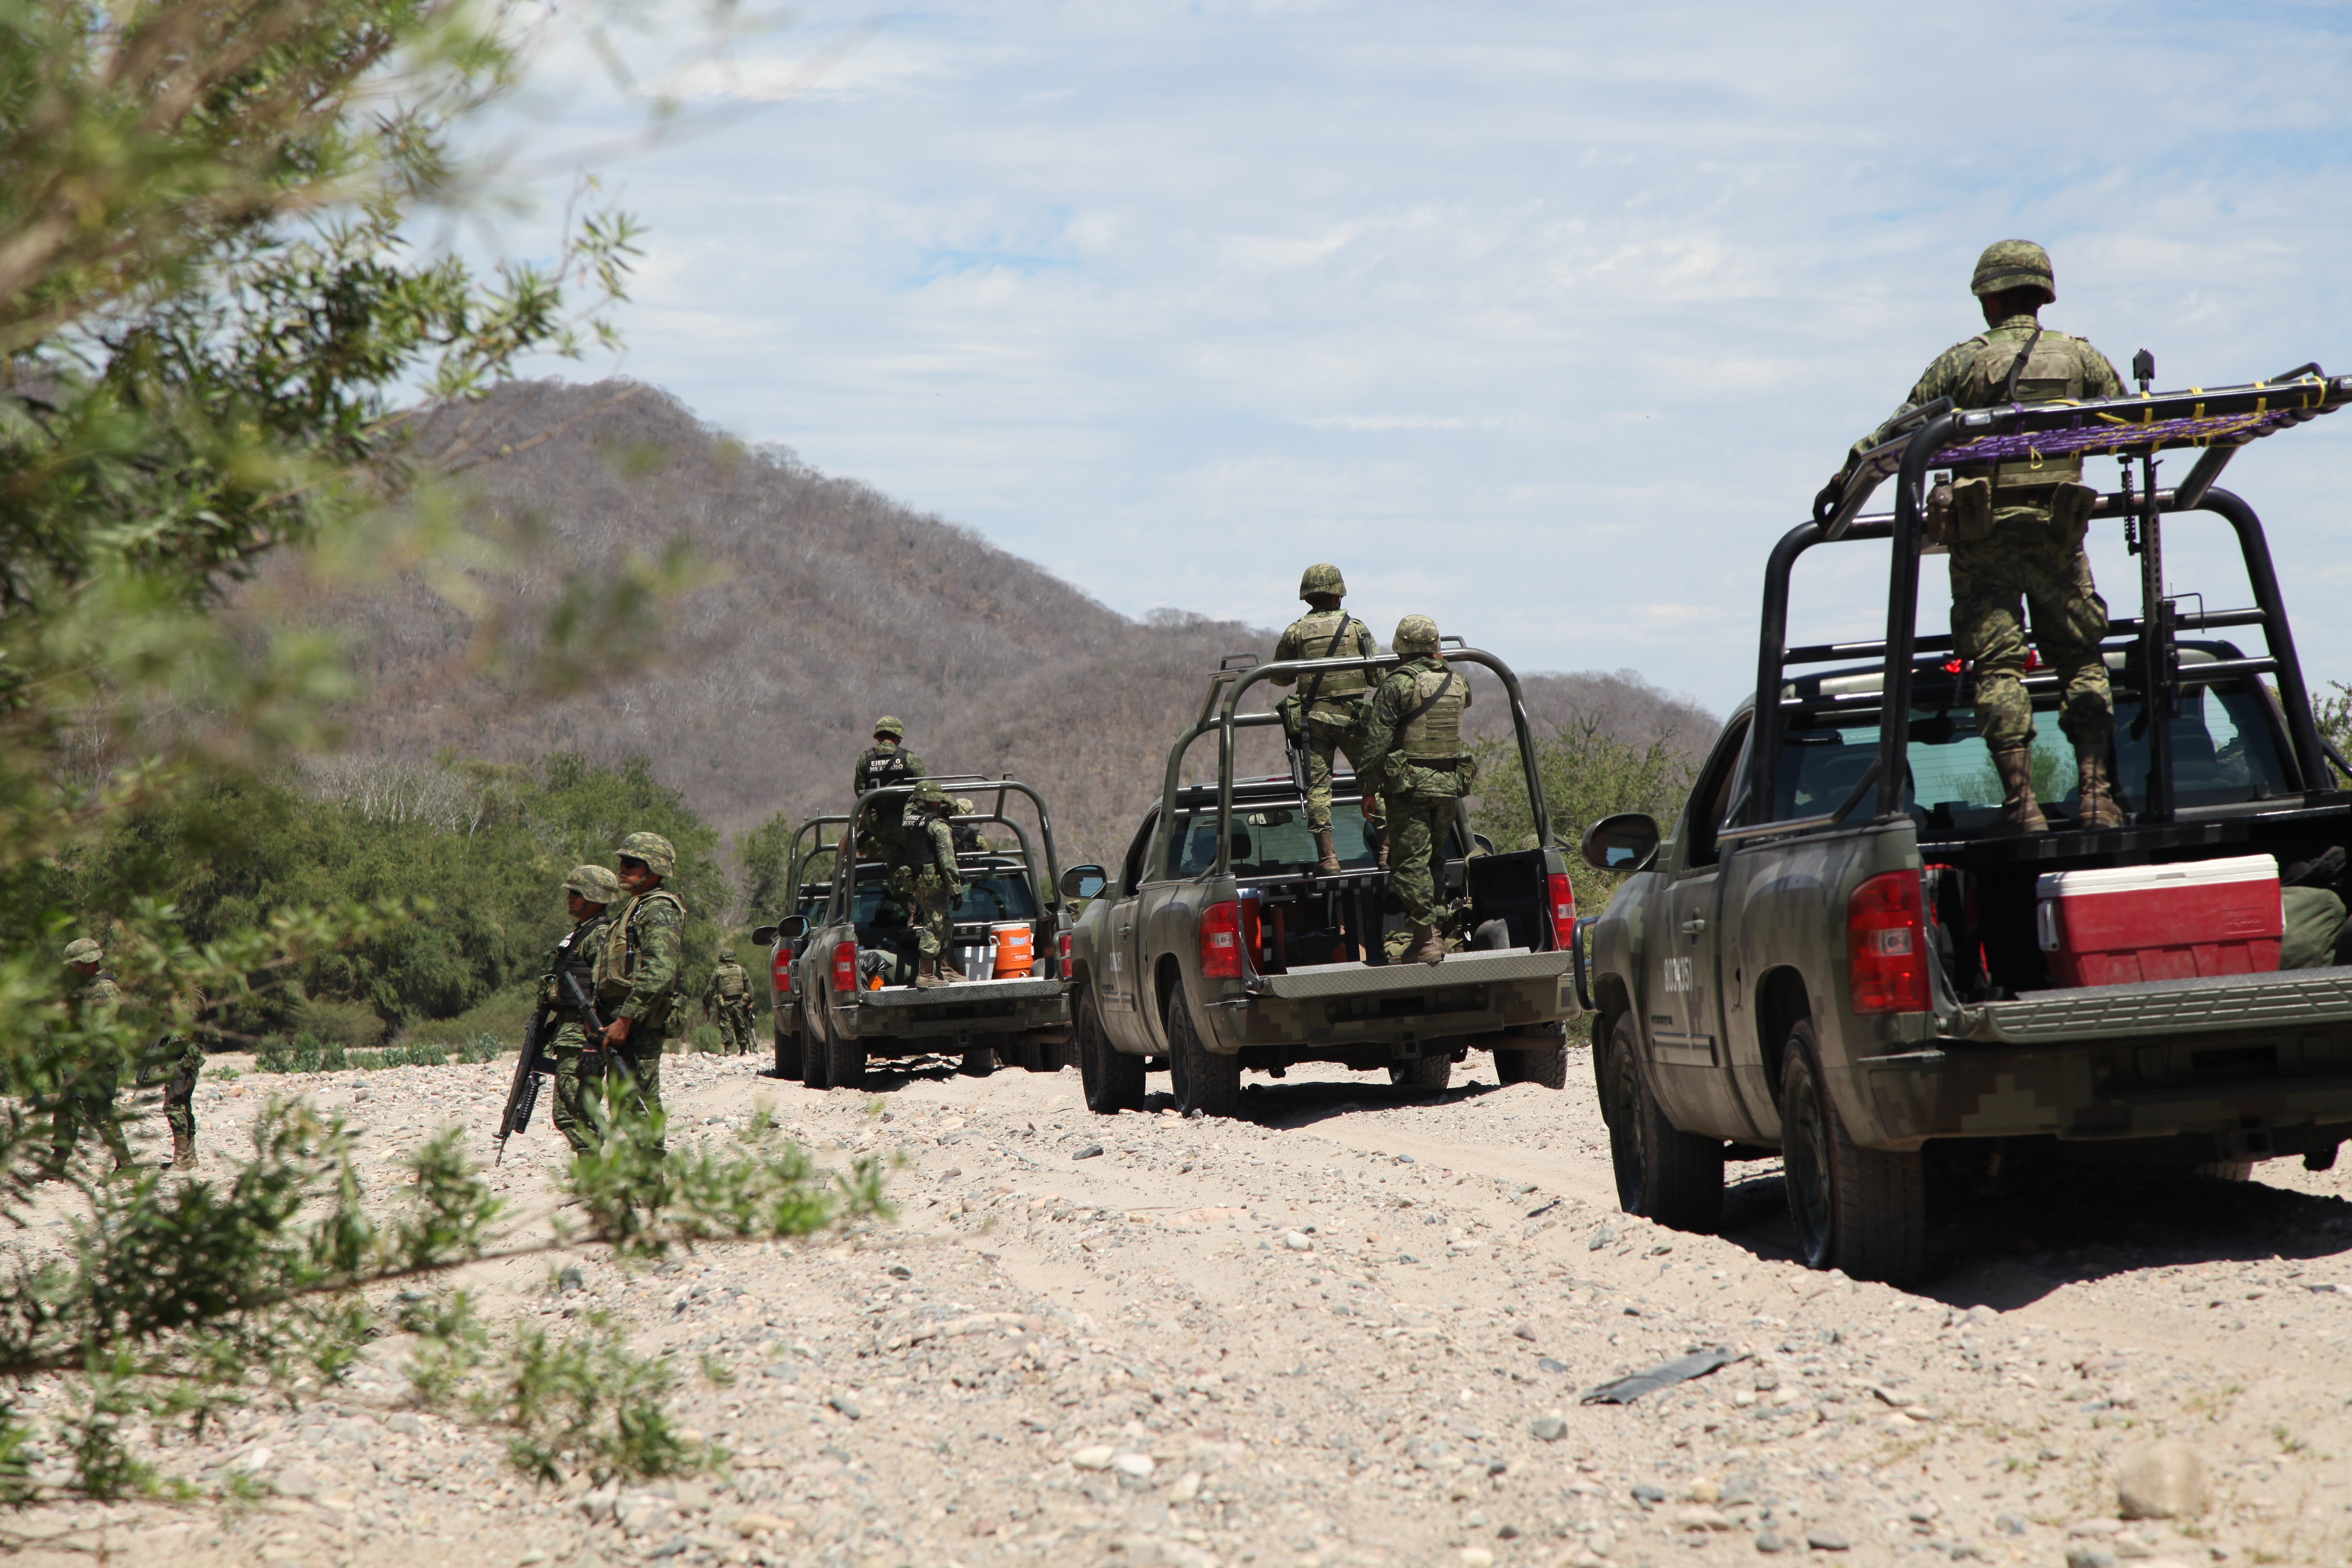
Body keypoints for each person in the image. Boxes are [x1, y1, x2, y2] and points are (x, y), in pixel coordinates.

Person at [1835, 239, 2125, 835]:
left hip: (1983, 538)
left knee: (1998, 668)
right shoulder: (2082, 358)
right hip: (2057, 534)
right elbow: (2128, 418)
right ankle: (2098, 798)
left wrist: (1846, 475)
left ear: (1988, 298)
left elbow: (1899, 432)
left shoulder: (1961, 363)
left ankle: (2023, 805)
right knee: (2081, 660)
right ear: (2042, 295)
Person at [1357, 615, 1474, 965]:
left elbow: (1377, 742)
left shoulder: (1398, 685)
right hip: (1449, 786)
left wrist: (1368, 788)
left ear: (1401, 647)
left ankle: (1424, 940)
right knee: (1434, 859)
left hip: (1410, 788)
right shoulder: (1459, 682)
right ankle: (1435, 933)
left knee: (1409, 863)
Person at [1270, 563, 1385, 873]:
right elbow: (1377, 677)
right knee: (1374, 782)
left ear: (1307, 598)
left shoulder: (1296, 631)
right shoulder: (1357, 628)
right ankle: (1387, 852)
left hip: (1315, 720)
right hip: (1354, 719)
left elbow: (1279, 678)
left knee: (1318, 789)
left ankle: (1328, 858)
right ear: (1338, 596)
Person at [592, 832, 686, 1153]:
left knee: (641, 1099)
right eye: (622, 862)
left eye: (632, 863)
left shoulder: (660, 909)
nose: (622, 868)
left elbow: (659, 970)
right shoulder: (636, 907)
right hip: (623, 1020)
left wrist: (626, 1020)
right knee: (623, 1102)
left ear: (655, 869)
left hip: (640, 1022)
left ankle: (650, 1173)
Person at [544, 864, 622, 1157]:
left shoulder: (598, 935)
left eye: (576, 894)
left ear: (594, 897)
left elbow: (605, 988)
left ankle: (592, 1166)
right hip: (571, 1031)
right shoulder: (582, 933)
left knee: (573, 1111)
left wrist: (593, 1040)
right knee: (571, 1109)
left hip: (582, 1034)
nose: (569, 899)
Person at [49, 937, 133, 1176]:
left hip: (96, 1065)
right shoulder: (85, 987)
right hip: (79, 1063)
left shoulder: (104, 988)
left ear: (88, 963)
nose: (72, 969)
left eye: (75, 965)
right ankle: (56, 1167)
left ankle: (126, 1165)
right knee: (66, 1110)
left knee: (100, 1115)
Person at [892, 781, 966, 988]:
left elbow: (911, 802)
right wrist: (956, 890)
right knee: (935, 925)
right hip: (934, 883)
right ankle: (925, 974)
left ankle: (945, 969)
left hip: (918, 881)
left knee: (944, 922)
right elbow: (948, 863)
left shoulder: (909, 819)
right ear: (937, 803)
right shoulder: (938, 826)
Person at [851, 716, 928, 864]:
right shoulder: (909, 758)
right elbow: (925, 789)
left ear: (878, 737)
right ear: (898, 737)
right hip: (908, 825)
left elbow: (860, 792)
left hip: (878, 828)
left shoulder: (865, 760)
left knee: (892, 867)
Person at [701, 949, 754, 1055]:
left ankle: (728, 1050)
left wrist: (706, 1006)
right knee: (741, 1024)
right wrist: (751, 1002)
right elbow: (749, 986)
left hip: (724, 1003)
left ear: (722, 960)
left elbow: (710, 990)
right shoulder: (741, 970)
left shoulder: (718, 972)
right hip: (740, 1003)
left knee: (726, 1025)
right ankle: (743, 1050)